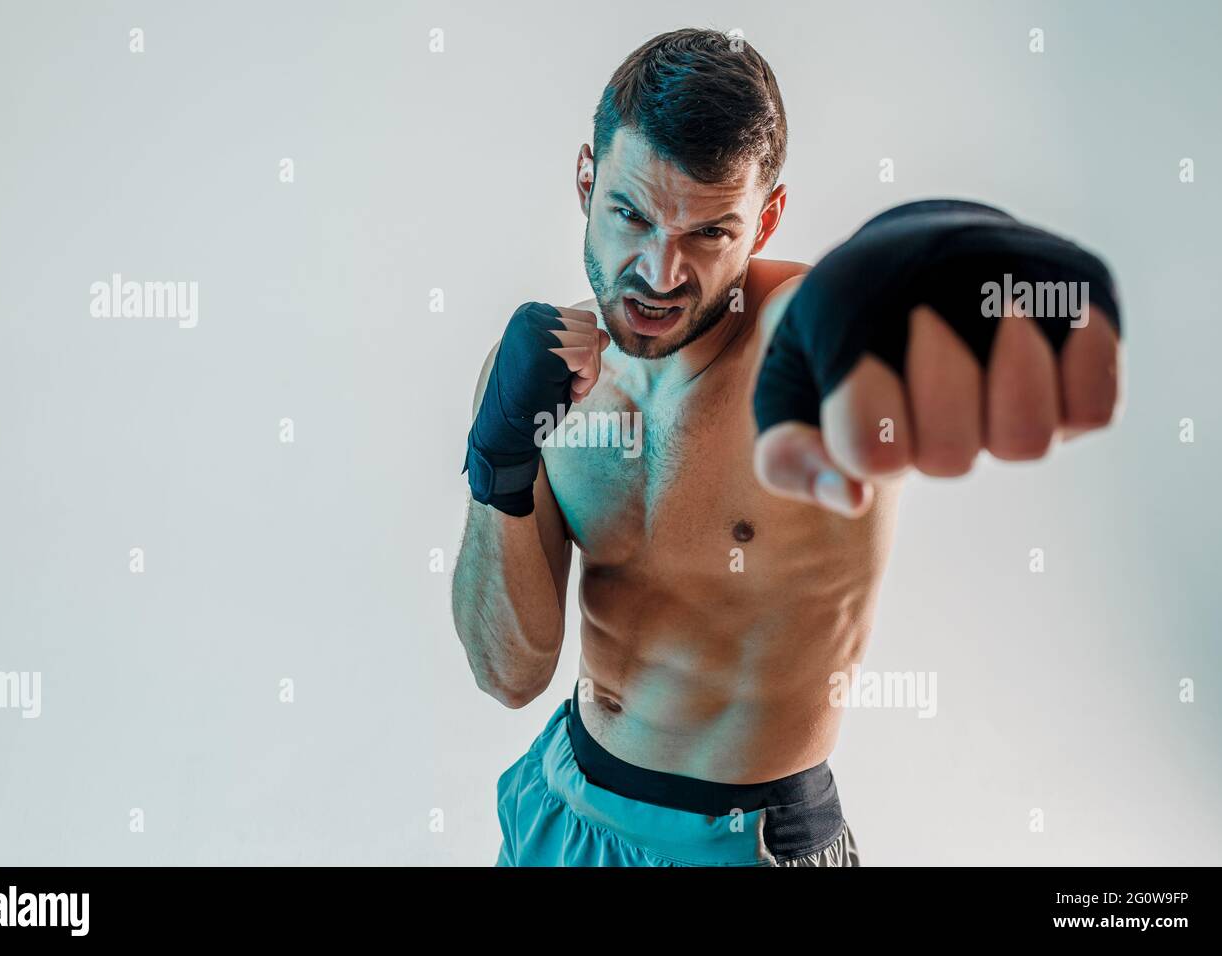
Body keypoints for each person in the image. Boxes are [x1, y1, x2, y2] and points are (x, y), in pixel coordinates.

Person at [452, 28, 1122, 867]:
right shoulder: (540, 375)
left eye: (709, 234)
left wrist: (961, 257)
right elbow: (508, 673)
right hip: (564, 810)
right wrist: (500, 461)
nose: (660, 273)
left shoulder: (802, 342)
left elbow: (899, 301)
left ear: (765, 218)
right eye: (631, 214)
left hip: (746, 845)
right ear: (586, 179)